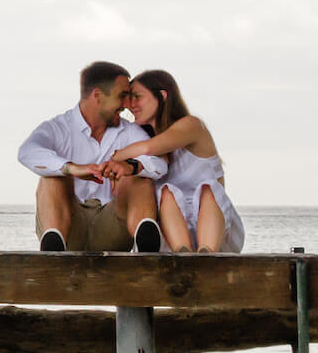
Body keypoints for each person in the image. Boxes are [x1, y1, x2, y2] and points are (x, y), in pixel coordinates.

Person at [17, 61, 166, 253]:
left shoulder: (130, 132)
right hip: (69, 227)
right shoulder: (59, 127)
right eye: (122, 96)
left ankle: (145, 247)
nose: (127, 104)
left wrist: (131, 166)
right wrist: (72, 168)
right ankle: (53, 250)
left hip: (113, 227)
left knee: (141, 178)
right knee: (52, 177)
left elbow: (160, 162)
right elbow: (27, 151)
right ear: (97, 96)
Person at [111, 69, 246, 253]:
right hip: (173, 227)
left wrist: (114, 158)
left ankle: (207, 254)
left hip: (213, 224)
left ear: (162, 96)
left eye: (137, 96)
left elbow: (149, 148)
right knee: (166, 192)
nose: (131, 105)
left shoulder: (191, 125)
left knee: (207, 189)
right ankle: (182, 253)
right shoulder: (139, 138)